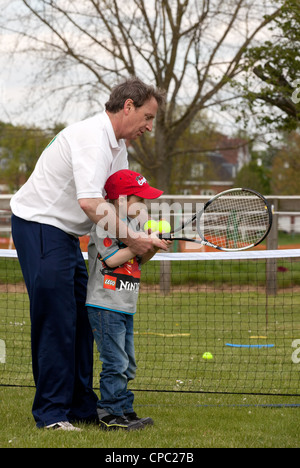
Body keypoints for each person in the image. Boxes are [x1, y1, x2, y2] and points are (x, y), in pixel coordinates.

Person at [10, 77, 167, 430]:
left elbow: (116, 205)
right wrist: (134, 240)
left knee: (82, 321)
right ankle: (51, 414)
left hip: (64, 236)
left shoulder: (118, 148)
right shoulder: (91, 137)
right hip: (39, 226)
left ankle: (82, 408)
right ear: (128, 106)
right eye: (147, 116)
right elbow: (91, 203)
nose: (149, 126)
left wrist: (142, 234)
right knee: (57, 322)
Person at [86, 169, 171, 431]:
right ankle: (109, 414)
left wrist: (152, 247)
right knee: (116, 362)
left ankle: (124, 408)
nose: (144, 206)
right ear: (121, 200)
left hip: (125, 304)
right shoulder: (105, 224)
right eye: (140, 200)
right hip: (105, 304)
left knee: (128, 363)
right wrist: (137, 244)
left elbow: (138, 260)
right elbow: (111, 260)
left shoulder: (134, 228)